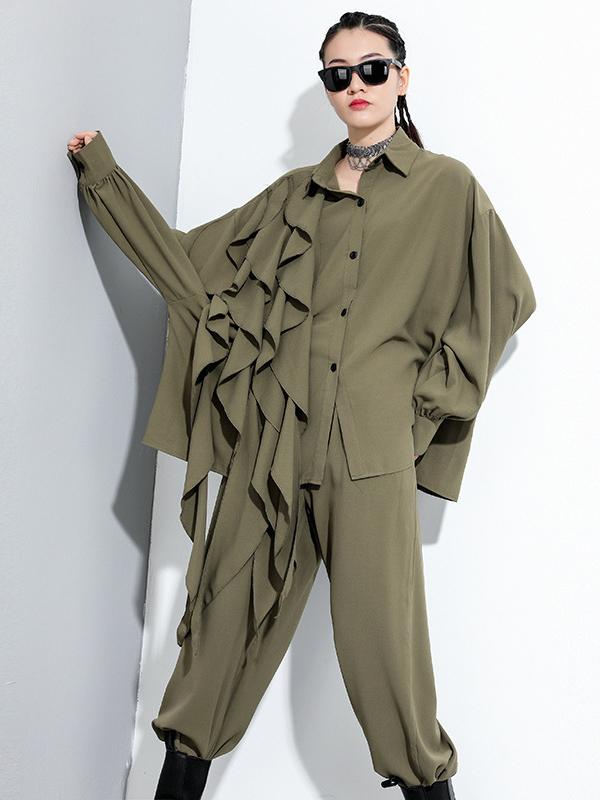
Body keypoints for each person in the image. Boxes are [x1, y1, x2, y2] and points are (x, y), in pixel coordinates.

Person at [66, 11, 536, 800]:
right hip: (271, 452)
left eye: (372, 68)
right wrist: (104, 178)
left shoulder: (446, 188)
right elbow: (186, 267)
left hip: (373, 456)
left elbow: (506, 298)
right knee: (219, 634)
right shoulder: (291, 198)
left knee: (386, 659)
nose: (356, 85)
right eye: (338, 74)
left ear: (402, 77)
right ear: (327, 87)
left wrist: (422, 413)